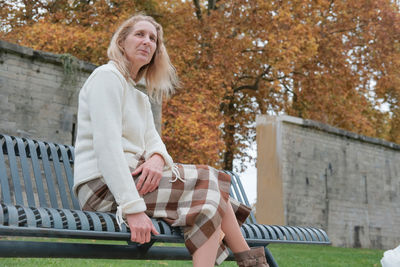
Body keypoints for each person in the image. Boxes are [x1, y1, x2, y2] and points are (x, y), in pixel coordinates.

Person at [73, 14, 269, 267]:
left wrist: (156, 159)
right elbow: (106, 147)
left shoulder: (140, 98)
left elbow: (155, 142)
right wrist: (133, 209)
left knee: (210, 202)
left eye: (153, 39)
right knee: (211, 182)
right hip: (103, 188)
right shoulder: (106, 77)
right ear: (122, 42)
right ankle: (253, 263)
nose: (147, 42)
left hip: (135, 181)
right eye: (139, 35)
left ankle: (250, 263)